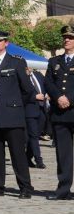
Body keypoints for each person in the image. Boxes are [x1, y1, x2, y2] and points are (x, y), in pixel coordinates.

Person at [0, 29, 35, 199]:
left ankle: (25, 187)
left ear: (6, 43)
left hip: (12, 116)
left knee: (18, 154)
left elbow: (28, 90)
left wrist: (15, 107)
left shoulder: (16, 63)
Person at [44, 25, 74, 201]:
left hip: (72, 107)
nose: (67, 40)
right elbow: (48, 83)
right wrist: (59, 98)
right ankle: (63, 190)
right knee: (63, 154)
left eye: (70, 37)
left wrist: (69, 99)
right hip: (60, 114)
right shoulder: (54, 61)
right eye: (65, 37)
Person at [24, 66, 48, 170]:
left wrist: (48, 94)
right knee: (34, 136)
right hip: (29, 110)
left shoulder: (38, 75)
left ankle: (27, 157)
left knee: (35, 135)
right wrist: (34, 97)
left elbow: (46, 86)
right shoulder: (22, 78)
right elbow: (20, 94)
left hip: (42, 110)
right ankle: (39, 160)